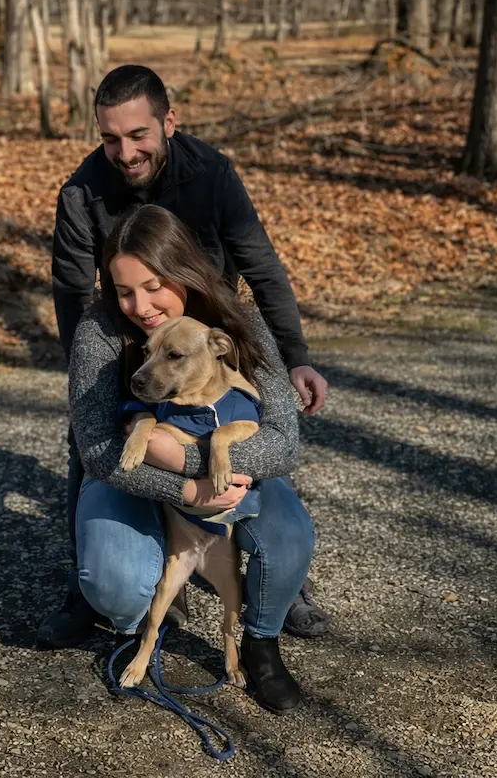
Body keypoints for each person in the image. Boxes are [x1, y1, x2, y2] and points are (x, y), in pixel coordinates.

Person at [40, 64, 331, 649]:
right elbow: (74, 292)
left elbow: (260, 263)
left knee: (250, 436)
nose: (125, 152)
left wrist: (293, 355)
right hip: (126, 343)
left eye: (139, 135)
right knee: (91, 442)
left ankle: (281, 582)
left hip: (207, 335)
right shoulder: (81, 192)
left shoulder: (213, 174)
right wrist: (87, 376)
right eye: (110, 138)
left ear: (168, 122)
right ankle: (87, 584)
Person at [67, 203, 313, 713]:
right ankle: (143, 624)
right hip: (131, 474)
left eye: (154, 285)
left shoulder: (236, 320)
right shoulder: (99, 332)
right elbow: (95, 448)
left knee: (289, 540)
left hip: (230, 464)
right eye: (124, 290)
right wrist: (184, 488)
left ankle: (260, 644)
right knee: (115, 581)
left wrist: (205, 464)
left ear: (183, 270)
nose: (140, 305)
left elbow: (284, 439)